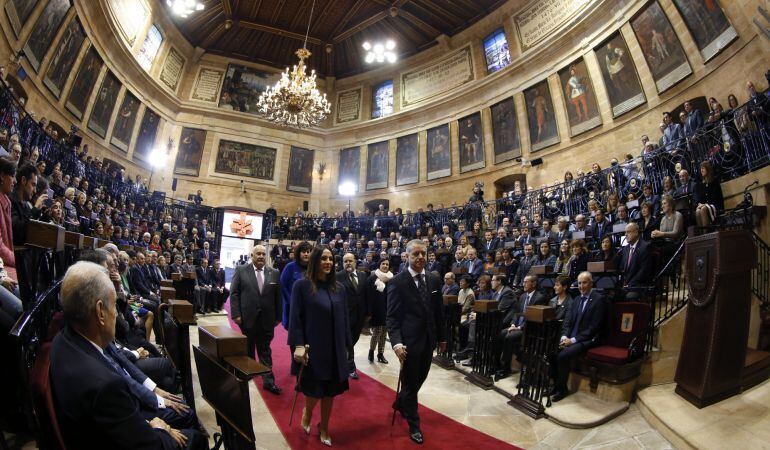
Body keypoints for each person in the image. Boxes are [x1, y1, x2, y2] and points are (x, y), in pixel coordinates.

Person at [50, 262, 207, 449]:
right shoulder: (105, 386)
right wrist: (157, 428)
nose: (116, 313)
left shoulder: (63, 338)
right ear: (100, 312)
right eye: (114, 305)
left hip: (102, 429)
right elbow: (148, 445)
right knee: (197, 439)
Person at [289, 247, 351, 446]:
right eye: (324, 258)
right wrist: (297, 345)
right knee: (315, 389)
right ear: (315, 260)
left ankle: (324, 426)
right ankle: (307, 412)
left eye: (331, 259)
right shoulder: (302, 286)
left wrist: (348, 346)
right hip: (313, 348)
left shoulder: (339, 288)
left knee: (330, 391)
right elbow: (295, 319)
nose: (328, 262)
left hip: (335, 349)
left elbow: (345, 319)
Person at [387, 239, 446, 444]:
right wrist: (396, 343)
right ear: (407, 256)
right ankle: (414, 424)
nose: (421, 257)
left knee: (421, 377)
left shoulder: (434, 279)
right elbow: (392, 317)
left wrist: (443, 338)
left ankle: (401, 401)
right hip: (409, 344)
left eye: (423, 254)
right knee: (411, 384)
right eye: (416, 254)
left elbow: (438, 311)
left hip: (429, 340)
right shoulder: (397, 281)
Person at [230, 245, 283, 395]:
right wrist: (236, 314)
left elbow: (278, 297)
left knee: (265, 350)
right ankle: (248, 373)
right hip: (247, 318)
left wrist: (279, 317)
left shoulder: (274, 273)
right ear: (251, 255)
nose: (261, 256)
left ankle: (269, 381)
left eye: (263, 254)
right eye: (257, 253)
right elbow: (234, 293)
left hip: (267, 320)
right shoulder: (241, 270)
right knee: (248, 348)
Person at [551, 271, 607, 402]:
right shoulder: (576, 300)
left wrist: (573, 340)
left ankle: (562, 389)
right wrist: (564, 336)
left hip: (588, 339)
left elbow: (594, 328)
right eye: (580, 283)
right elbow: (568, 322)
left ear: (591, 283)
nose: (581, 286)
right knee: (551, 351)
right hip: (571, 338)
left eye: (585, 282)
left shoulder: (599, 300)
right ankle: (555, 385)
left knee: (562, 355)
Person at [497, 274, 547, 380]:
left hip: (528, 329)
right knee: (501, 333)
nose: (523, 284)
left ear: (533, 283)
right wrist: (514, 324)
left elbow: (533, 318)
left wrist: (519, 328)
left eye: (526, 282)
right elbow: (516, 312)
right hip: (517, 326)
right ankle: (499, 364)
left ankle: (505, 368)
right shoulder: (523, 296)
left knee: (509, 337)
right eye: (523, 281)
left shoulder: (539, 298)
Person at [336, 252, 369, 379]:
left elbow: (366, 295)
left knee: (352, 341)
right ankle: (350, 367)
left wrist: (368, 313)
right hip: (345, 316)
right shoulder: (338, 276)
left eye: (350, 260)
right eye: (345, 261)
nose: (348, 263)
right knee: (348, 342)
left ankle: (344, 361)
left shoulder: (362, 275)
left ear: (355, 262)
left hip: (360, 317)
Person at [280, 241, 312, 329]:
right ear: (298, 253)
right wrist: (291, 301)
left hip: (310, 308)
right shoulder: (290, 267)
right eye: (303, 252)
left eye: (308, 252)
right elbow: (283, 286)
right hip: (293, 307)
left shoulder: (313, 268)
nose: (306, 254)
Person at [367, 258, 392, 364]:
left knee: (384, 333)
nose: (385, 266)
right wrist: (369, 311)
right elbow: (368, 296)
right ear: (379, 265)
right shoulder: (373, 278)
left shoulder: (391, 278)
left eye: (387, 264)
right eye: (383, 264)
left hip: (387, 310)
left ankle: (380, 354)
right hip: (376, 310)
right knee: (377, 332)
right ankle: (371, 352)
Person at [614, 222, 653, 290]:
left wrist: (630, 285)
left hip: (639, 285)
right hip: (626, 285)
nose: (625, 234)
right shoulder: (625, 249)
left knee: (628, 296)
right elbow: (622, 269)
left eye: (628, 232)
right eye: (625, 232)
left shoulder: (645, 247)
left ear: (636, 232)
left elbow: (643, 271)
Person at [694, 160, 724, 228]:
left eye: (703, 168)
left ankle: (706, 233)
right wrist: (699, 204)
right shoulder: (701, 184)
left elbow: (715, 198)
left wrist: (705, 205)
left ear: (708, 169)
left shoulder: (714, 182)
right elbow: (700, 198)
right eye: (701, 169)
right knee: (698, 211)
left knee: (703, 209)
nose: (701, 170)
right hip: (705, 206)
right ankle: (702, 233)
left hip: (715, 205)